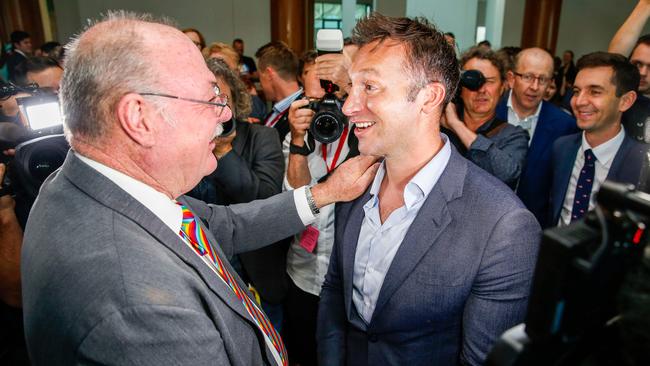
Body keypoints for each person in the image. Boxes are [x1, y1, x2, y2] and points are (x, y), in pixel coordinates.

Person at [20, 11, 379, 365]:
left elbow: (225, 224)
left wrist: (326, 192)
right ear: (139, 118)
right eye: (209, 99)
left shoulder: (93, 185)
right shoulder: (141, 311)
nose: (225, 115)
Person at [317, 14, 540, 366]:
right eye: (351, 87)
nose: (348, 106)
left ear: (429, 96)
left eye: (370, 87)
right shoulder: (354, 182)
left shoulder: (504, 225)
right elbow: (335, 291)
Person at [187, 57, 287, 332]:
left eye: (222, 98)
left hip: (257, 276)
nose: (217, 107)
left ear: (235, 100)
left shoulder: (262, 137)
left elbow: (265, 198)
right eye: (206, 100)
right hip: (205, 275)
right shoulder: (185, 145)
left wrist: (224, 152)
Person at [282, 50, 358, 366]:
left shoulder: (364, 135)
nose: (323, 110)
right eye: (313, 102)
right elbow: (295, 198)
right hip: (302, 270)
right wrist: (299, 141)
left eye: (331, 98)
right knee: (300, 353)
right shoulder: (293, 137)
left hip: (347, 280)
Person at [548, 52, 649, 227]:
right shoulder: (561, 148)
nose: (579, 101)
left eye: (595, 92)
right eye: (577, 91)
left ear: (625, 101)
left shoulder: (643, 163)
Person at [496, 47, 578, 226]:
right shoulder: (489, 112)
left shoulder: (565, 125)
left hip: (533, 225)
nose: (534, 87)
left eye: (542, 79)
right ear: (511, 78)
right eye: (527, 77)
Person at [442, 47, 529, 188]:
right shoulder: (439, 128)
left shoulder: (513, 135)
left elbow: (507, 175)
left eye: (489, 81)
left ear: (502, 87)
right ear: (460, 87)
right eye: (472, 80)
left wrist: (456, 125)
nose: (481, 89)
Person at [256, 41, 302, 143]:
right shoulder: (278, 109)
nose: (260, 85)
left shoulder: (302, 114)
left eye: (260, 77)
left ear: (269, 74)